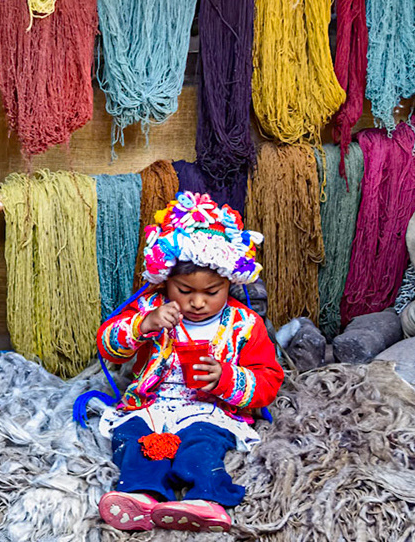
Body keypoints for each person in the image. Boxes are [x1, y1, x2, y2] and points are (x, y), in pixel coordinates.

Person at [94, 192, 284, 533]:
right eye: (184, 290)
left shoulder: (244, 324)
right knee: (133, 437)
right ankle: (141, 496)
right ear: (165, 280)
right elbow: (108, 347)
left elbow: (268, 379)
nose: (197, 302)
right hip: (151, 405)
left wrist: (226, 378)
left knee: (202, 445)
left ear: (229, 283)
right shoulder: (149, 308)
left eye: (211, 292)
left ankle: (205, 500)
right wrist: (143, 325)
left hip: (208, 409)